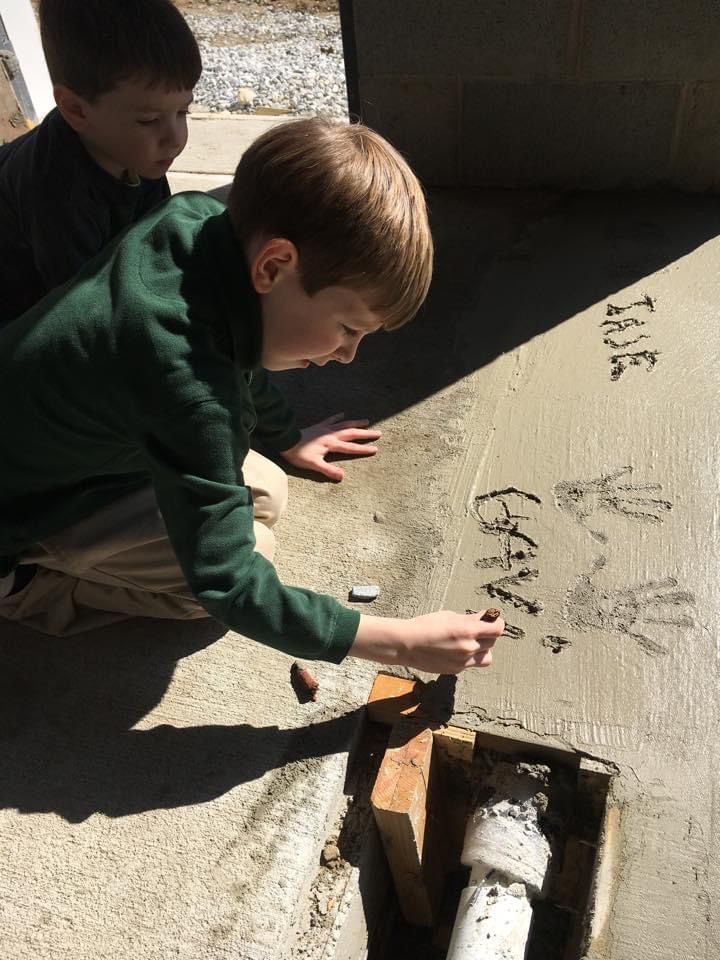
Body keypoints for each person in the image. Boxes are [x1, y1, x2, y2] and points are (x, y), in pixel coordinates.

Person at [0, 118, 504, 675]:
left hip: (69, 444)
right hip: (22, 509)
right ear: (274, 265)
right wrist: (398, 641)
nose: (348, 355)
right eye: (347, 327)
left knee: (268, 491)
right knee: (230, 573)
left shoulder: (197, 223)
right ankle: (23, 587)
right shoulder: (184, 382)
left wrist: (287, 438)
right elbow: (228, 584)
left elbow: (233, 353)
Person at [0, 0, 201, 326]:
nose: (175, 138)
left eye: (183, 112)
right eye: (149, 120)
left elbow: (156, 238)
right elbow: (85, 313)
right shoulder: (57, 194)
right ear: (76, 110)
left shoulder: (137, 152)